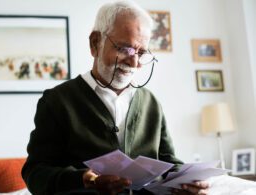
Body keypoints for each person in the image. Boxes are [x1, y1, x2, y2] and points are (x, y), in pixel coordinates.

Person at [22, 1, 209, 194]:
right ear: (95, 43)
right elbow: (35, 173)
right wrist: (85, 180)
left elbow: (168, 162)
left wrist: (187, 183)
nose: (135, 63)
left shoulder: (151, 103)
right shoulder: (57, 101)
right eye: (124, 49)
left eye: (141, 52)